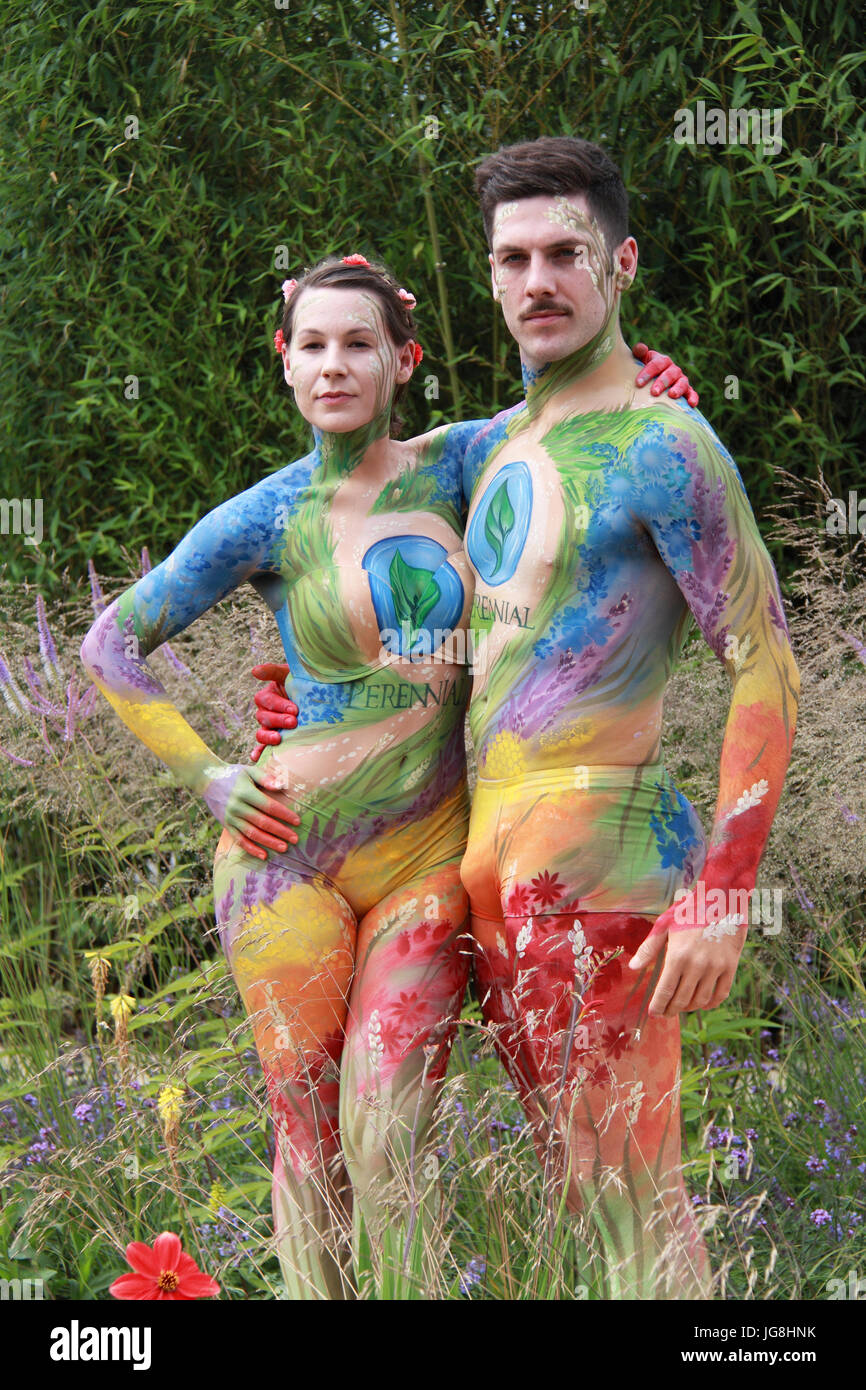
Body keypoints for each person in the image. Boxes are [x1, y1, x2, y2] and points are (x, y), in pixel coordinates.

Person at [79, 249, 695, 1299]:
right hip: (282, 862)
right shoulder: (265, 515)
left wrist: (651, 379)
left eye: (358, 343)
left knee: (388, 1126)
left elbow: (580, 409)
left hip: (422, 859)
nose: (334, 365)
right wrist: (214, 776)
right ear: (282, 362)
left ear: (402, 358)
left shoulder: (460, 461)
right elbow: (108, 645)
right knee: (305, 1132)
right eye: (311, 345)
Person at [250, 137, 800, 1300]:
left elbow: (763, 665)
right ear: (490, 277)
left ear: (621, 263)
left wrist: (721, 890)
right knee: (577, 1189)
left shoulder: (666, 442)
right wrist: (299, 688)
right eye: (514, 257)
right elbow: (344, 512)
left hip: (601, 854)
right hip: (489, 867)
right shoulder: (484, 445)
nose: (538, 279)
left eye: (566, 253)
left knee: (630, 1200)